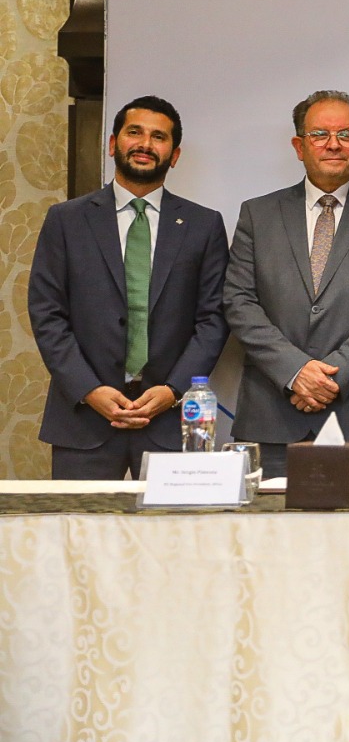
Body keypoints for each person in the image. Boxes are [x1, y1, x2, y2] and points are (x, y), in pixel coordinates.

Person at [27, 95, 229, 479]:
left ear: (175, 154)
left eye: (159, 137)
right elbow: (47, 313)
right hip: (84, 419)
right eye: (134, 132)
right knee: (79, 520)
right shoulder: (66, 220)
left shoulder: (204, 225)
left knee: (174, 522)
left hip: (172, 421)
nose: (145, 144)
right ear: (112, 143)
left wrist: (173, 390)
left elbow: (214, 318)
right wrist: (89, 389)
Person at [223, 90, 349, 480]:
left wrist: (331, 378)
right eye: (320, 134)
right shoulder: (258, 214)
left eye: (346, 135)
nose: (333, 144)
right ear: (299, 146)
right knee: (266, 521)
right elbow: (239, 302)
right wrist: (295, 371)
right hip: (271, 414)